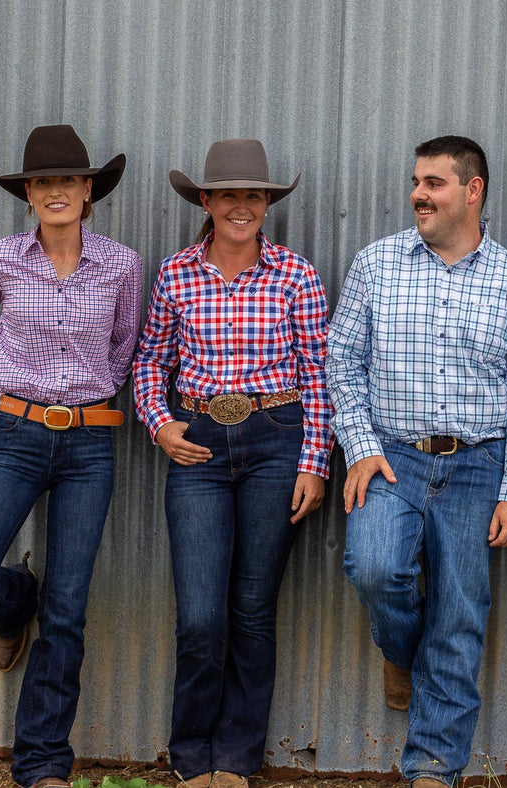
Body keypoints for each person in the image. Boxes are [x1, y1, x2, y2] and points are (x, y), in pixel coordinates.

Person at [326, 135, 507, 788]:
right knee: (374, 567)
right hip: (392, 457)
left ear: (472, 190)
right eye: (416, 181)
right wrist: (362, 447)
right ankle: (402, 651)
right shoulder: (376, 265)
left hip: (477, 466)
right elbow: (341, 361)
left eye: (434, 183)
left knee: (459, 616)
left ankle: (434, 769)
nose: (418, 194)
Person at [0, 124, 142, 788]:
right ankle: (13, 599)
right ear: (29, 194)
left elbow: (124, 345)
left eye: (68, 181)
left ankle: (42, 764)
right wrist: (6, 379)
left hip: (89, 444)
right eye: (43, 182)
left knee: (68, 608)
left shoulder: (121, 264)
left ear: (89, 191)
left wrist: (92, 392)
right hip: (19, 438)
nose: (56, 192)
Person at [132, 139, 332, 788]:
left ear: (267, 204)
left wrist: (314, 463)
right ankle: (191, 757)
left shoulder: (296, 275)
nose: (241, 207)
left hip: (276, 439)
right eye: (228, 195)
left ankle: (236, 760)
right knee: (200, 616)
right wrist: (160, 425)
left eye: (254, 196)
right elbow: (148, 363)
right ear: (207, 202)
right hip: (198, 447)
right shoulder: (176, 274)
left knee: (251, 608)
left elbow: (317, 376)